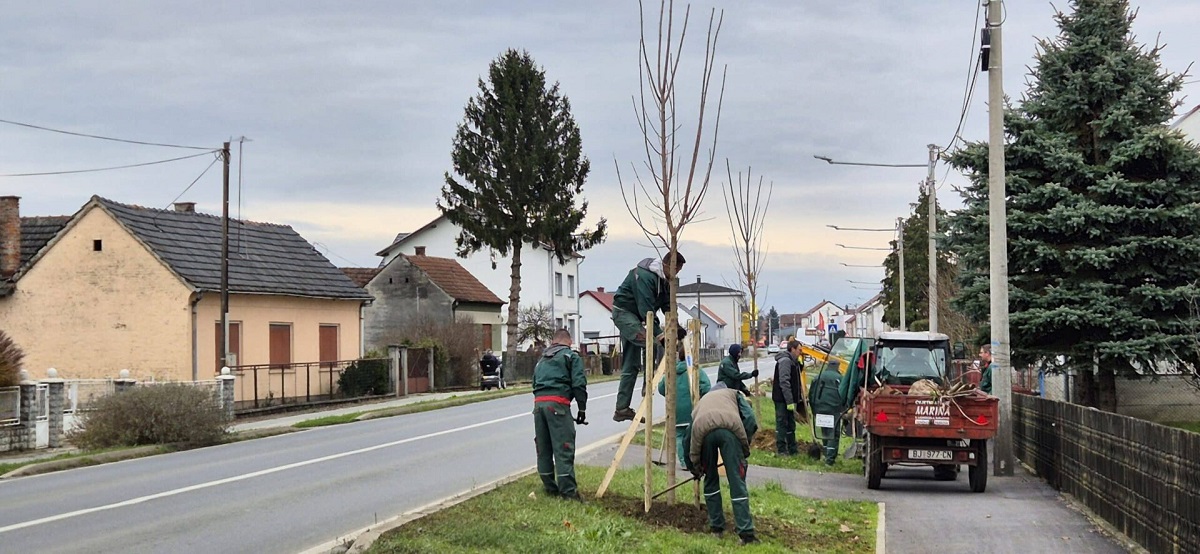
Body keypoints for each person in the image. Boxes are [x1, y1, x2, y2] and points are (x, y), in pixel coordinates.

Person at [610, 251, 686, 422]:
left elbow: (667, 306)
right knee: (651, 344)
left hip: (636, 317)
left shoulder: (664, 282)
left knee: (631, 364)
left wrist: (676, 326)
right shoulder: (644, 275)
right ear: (668, 265)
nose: (676, 275)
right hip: (624, 314)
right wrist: (660, 336)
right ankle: (648, 384)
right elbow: (647, 310)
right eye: (677, 270)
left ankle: (621, 409)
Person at [684, 386, 759, 545]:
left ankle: (716, 528)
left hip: (703, 432)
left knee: (710, 480)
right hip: (730, 430)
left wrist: (694, 468)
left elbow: (687, 438)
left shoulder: (701, 403)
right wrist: (743, 446)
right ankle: (746, 534)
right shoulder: (734, 393)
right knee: (737, 482)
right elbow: (750, 419)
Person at [531, 328, 588, 500]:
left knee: (543, 447)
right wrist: (582, 409)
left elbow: (534, 383)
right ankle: (568, 492)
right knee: (564, 447)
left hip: (538, 405)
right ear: (568, 342)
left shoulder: (541, 360)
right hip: (558, 405)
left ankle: (549, 487)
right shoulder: (570, 356)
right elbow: (579, 383)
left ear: (553, 341)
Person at [657, 347, 711, 466]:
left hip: (675, 410)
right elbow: (706, 387)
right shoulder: (696, 371)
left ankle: (684, 462)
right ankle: (696, 461)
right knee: (694, 435)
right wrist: (699, 394)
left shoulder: (671, 371)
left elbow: (661, 389)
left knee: (680, 436)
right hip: (693, 408)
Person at [808, 357, 843, 465]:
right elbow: (844, 394)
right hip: (834, 410)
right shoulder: (840, 378)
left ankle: (826, 453)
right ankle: (830, 459)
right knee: (833, 434)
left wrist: (814, 410)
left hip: (820, 408)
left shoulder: (817, 377)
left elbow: (811, 394)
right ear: (837, 366)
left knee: (825, 432)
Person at [772, 340, 804, 456]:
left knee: (791, 424)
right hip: (782, 399)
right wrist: (789, 401)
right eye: (799, 350)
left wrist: (800, 364)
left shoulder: (793, 361)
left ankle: (792, 449)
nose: (801, 352)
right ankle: (781, 450)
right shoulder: (785, 361)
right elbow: (784, 382)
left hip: (789, 399)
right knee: (782, 423)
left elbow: (796, 376)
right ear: (792, 349)